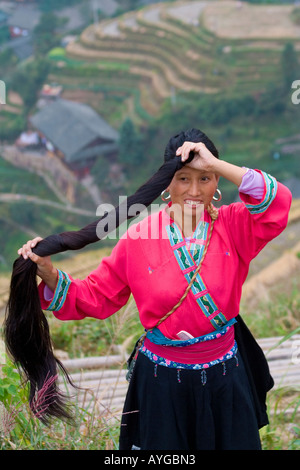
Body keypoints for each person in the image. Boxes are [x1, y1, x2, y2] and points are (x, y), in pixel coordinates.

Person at [8, 129, 292, 450]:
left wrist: (215, 161)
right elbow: (96, 296)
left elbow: (277, 201)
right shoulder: (138, 237)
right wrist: (47, 272)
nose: (194, 191)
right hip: (162, 384)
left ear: (217, 182)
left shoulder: (235, 225)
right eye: (183, 179)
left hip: (225, 376)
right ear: (166, 183)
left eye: (206, 178)